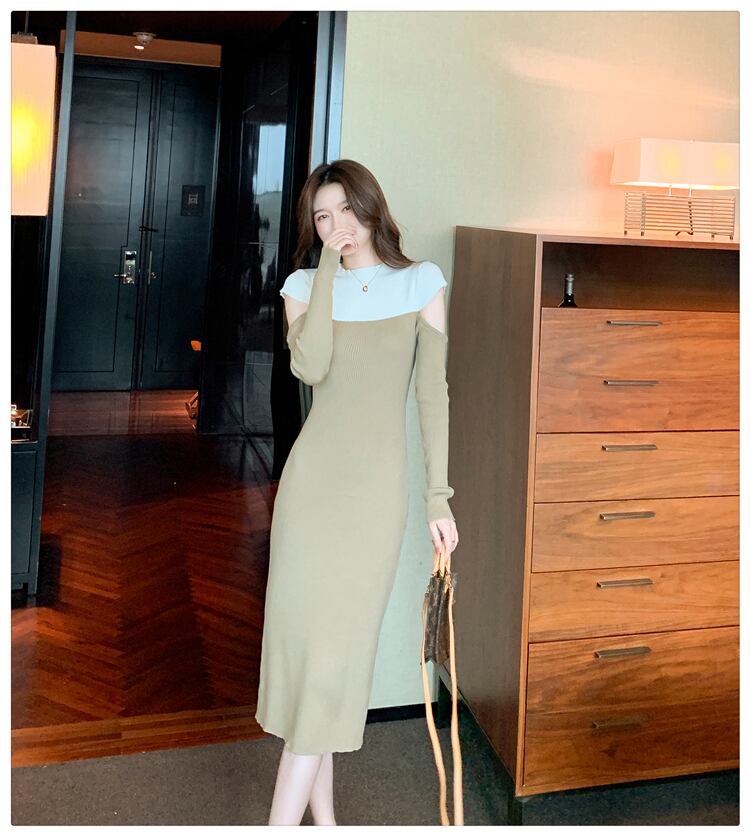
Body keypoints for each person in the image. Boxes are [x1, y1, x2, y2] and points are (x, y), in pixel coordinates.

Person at [255, 159, 459, 826]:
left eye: (346, 209)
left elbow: (432, 395)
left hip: (373, 498)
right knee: (313, 663)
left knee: (334, 662)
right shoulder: (303, 286)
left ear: (371, 207)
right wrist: (326, 271)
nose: (336, 224)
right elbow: (311, 367)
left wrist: (438, 497)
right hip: (309, 492)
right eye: (322, 217)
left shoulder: (421, 282)